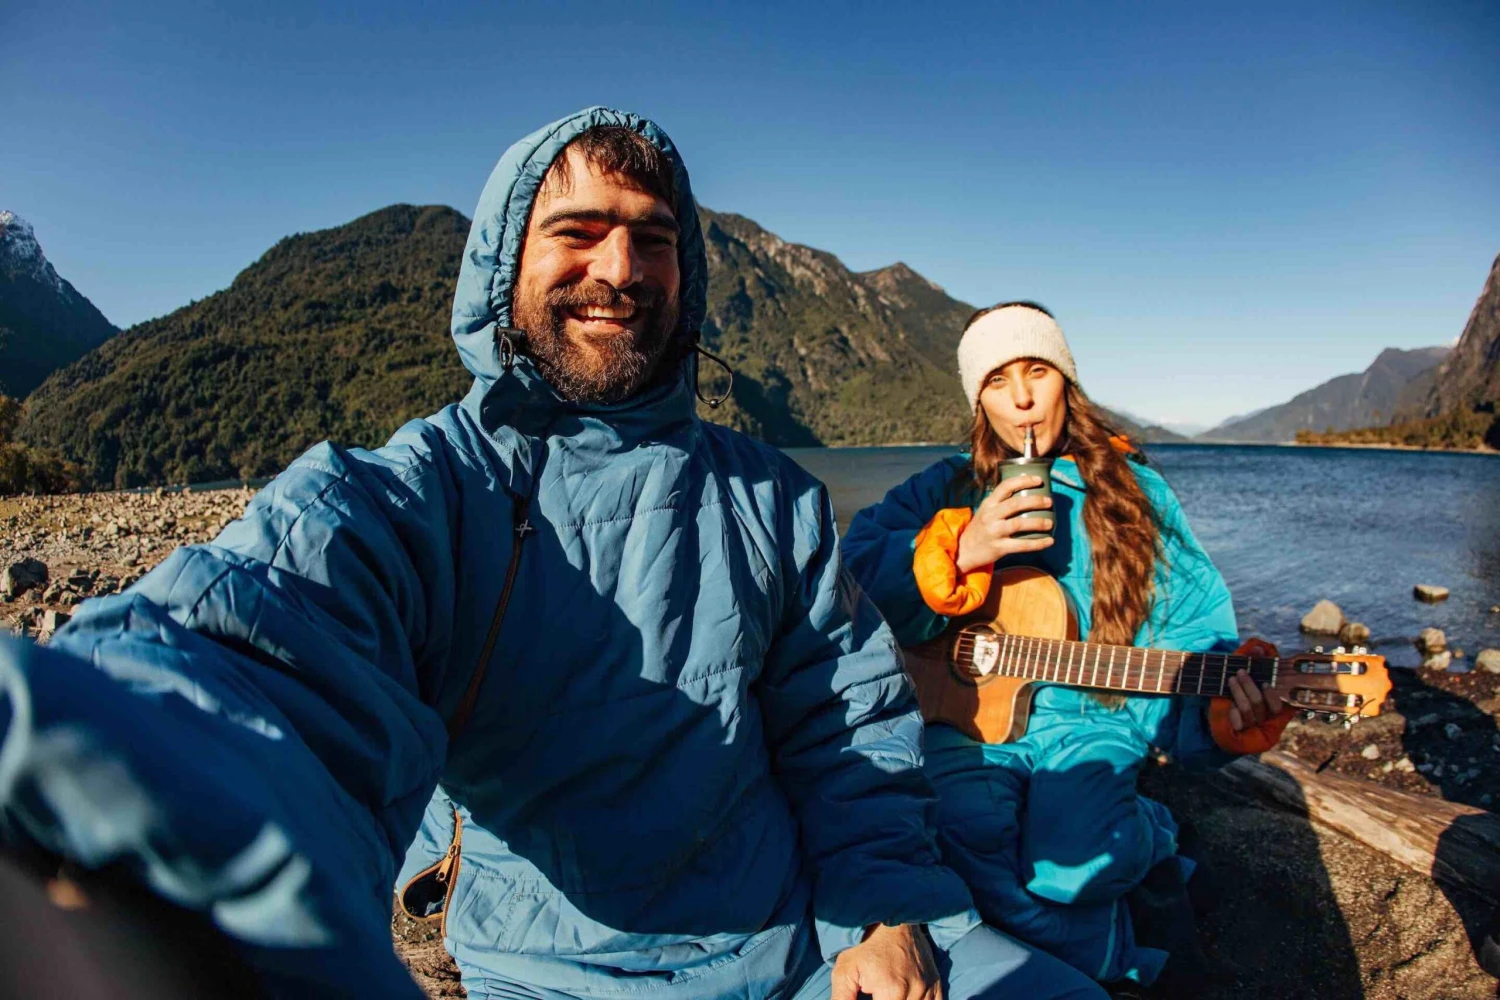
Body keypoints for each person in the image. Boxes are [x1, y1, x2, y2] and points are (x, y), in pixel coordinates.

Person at [0, 111, 1106, 1000]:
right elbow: (260, 644)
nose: (620, 267)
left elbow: (846, 722)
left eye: (654, 238)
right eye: (577, 231)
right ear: (504, 265)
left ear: (687, 273)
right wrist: (87, 764)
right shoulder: (432, 492)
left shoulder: (772, 498)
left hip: (811, 936)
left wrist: (886, 909)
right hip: (559, 970)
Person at [841, 302, 1293, 991]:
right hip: (971, 723)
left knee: (1071, 869)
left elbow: (1190, 627)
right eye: (998, 381)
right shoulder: (946, 486)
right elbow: (848, 575)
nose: (1022, 398)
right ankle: (1112, 965)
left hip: (1094, 718)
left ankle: (1149, 831)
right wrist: (961, 549)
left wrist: (1218, 711)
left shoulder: (1135, 492)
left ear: (1067, 383)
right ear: (980, 403)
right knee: (963, 830)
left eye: (1037, 371)